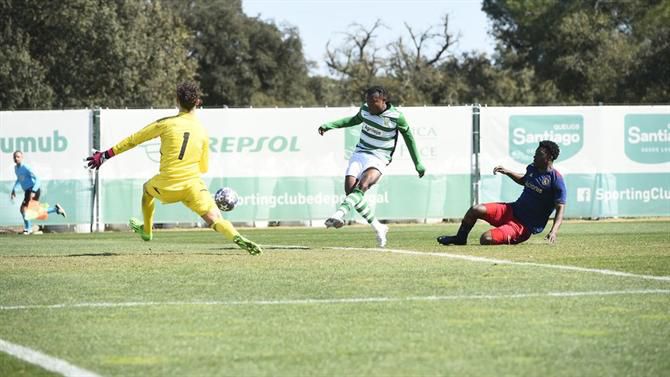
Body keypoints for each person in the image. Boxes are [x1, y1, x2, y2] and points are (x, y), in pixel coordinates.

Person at [86, 82, 262, 255]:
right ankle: (236, 236)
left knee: (147, 190)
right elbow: (204, 167)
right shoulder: (202, 131)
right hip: (193, 186)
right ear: (198, 102)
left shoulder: (166, 123)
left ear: (177, 100)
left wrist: (105, 155)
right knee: (215, 219)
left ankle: (147, 231)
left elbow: (134, 139)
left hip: (167, 184)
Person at [318, 86, 425, 247]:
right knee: (350, 191)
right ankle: (378, 227)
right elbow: (352, 120)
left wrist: (417, 162)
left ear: (384, 100)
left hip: (380, 157)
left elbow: (409, 139)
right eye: (367, 101)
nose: (370, 105)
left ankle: (339, 214)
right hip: (360, 153)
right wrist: (330, 125)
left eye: (373, 101)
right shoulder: (366, 109)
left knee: (363, 185)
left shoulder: (396, 117)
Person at [437, 140, 566, 246]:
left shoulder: (556, 180)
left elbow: (560, 208)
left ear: (549, 157)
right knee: (475, 209)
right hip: (511, 210)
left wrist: (553, 231)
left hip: (522, 226)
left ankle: (506, 233)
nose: (534, 156)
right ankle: (460, 238)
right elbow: (524, 180)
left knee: (485, 239)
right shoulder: (532, 168)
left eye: (538, 154)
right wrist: (507, 172)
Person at [10, 150, 66, 234]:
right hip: (27, 191)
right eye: (14, 157)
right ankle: (56, 210)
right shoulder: (16, 168)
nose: (16, 158)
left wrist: (33, 190)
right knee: (33, 212)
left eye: (18, 157)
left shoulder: (26, 167)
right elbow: (19, 179)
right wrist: (14, 189)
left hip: (33, 190)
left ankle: (28, 229)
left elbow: (38, 179)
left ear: (22, 158)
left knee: (24, 209)